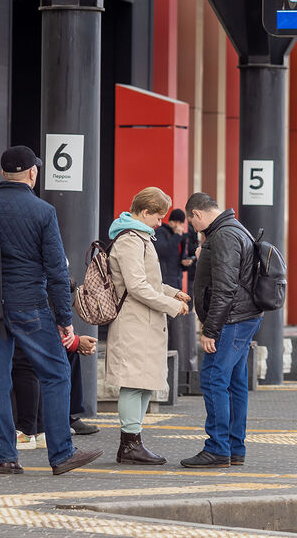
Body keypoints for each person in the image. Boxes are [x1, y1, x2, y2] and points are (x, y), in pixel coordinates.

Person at [0, 145, 101, 476]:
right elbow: (56, 270)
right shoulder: (42, 211)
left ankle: (7, 458)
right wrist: (65, 322)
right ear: (32, 173)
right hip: (28, 304)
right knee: (55, 373)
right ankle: (61, 454)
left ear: (2, 173)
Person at [105, 187, 190, 465]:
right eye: (157, 216)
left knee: (142, 382)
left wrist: (170, 291)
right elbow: (137, 286)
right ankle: (130, 445)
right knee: (133, 382)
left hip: (142, 320)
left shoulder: (139, 237)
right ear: (144, 212)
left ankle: (133, 443)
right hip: (134, 321)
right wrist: (171, 305)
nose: (160, 222)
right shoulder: (130, 240)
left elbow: (147, 283)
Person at [179, 192, 262, 469]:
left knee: (214, 379)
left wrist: (210, 330)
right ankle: (234, 447)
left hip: (231, 321)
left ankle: (217, 448)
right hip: (244, 318)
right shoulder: (233, 229)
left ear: (197, 215)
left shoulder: (224, 235)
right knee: (235, 383)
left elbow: (225, 287)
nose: (192, 228)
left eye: (192, 222)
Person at [155, 207, 193, 386]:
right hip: (165, 282)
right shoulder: (161, 232)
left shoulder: (181, 237)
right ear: (172, 221)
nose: (179, 226)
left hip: (176, 281)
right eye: (177, 223)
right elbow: (163, 252)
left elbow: (178, 258)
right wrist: (177, 236)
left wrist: (185, 263)